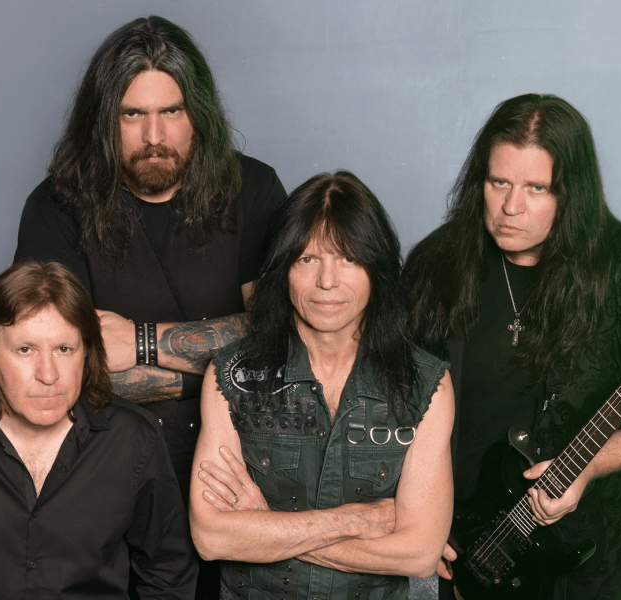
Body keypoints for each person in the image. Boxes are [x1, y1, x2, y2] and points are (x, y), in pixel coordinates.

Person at [403, 93, 621, 600]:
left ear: (572, 193)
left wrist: (593, 464)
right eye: (499, 183)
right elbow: (396, 398)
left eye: (537, 188)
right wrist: (421, 517)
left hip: (588, 553)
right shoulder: (436, 266)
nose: (511, 207)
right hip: (465, 546)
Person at [13, 15, 288, 503]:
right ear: (104, 119)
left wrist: (139, 342)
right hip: (105, 467)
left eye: (172, 111)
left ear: (198, 114)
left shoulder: (253, 189)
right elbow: (56, 372)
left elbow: (279, 338)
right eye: (132, 114)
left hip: (240, 464)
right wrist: (221, 371)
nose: (154, 136)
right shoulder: (56, 206)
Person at [189, 172, 454, 600]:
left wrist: (266, 527)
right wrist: (354, 521)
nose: (327, 281)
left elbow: (419, 554)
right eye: (307, 259)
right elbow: (212, 537)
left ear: (376, 268)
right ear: (282, 269)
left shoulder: (425, 384)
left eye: (348, 258)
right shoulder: (231, 378)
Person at [0, 261, 197, 599]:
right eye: (25, 350)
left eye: (64, 350)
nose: (48, 375)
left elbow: (168, 574)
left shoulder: (134, 439)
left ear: (86, 353)